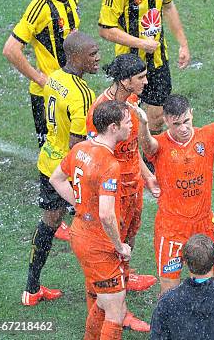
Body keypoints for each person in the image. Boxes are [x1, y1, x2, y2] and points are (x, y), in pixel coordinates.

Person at [135, 57, 214, 295]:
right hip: (171, 229)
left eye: (186, 121)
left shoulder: (207, 136)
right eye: (176, 124)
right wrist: (143, 124)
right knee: (169, 289)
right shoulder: (160, 145)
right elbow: (146, 145)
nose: (183, 128)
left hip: (203, 225)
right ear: (166, 122)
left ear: (192, 114)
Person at [21, 31, 99, 306]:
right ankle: (103, 287)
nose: (98, 58)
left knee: (49, 222)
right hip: (66, 170)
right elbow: (78, 145)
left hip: (47, 162)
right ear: (76, 56)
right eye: (92, 54)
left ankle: (31, 288)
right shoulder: (83, 94)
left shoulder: (53, 76)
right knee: (94, 223)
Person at [85, 54, 160, 332]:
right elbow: (95, 157)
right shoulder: (101, 112)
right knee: (111, 248)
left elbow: (131, 151)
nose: (146, 81)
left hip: (134, 187)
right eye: (141, 77)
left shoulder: (130, 102)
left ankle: (124, 281)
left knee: (128, 241)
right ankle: (115, 307)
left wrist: (148, 175)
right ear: (126, 80)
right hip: (113, 192)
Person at [50, 100, 133, 340]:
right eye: (127, 122)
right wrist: (120, 246)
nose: (131, 126)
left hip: (80, 234)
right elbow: (107, 215)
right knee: (116, 311)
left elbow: (56, 179)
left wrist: (80, 203)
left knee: (102, 300)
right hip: (98, 244)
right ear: (114, 127)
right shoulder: (109, 164)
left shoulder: (81, 148)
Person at [99, 0, 190, 135]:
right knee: (121, 120)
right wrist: (140, 43)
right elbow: (105, 29)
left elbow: (168, 7)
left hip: (157, 60)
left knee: (156, 119)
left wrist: (183, 44)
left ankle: (149, 161)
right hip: (128, 66)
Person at [3, 0, 79, 149]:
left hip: (71, 88)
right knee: (51, 156)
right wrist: (40, 79)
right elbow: (10, 49)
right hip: (48, 95)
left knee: (74, 149)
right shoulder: (40, 7)